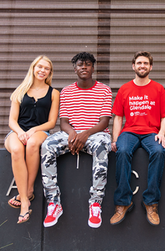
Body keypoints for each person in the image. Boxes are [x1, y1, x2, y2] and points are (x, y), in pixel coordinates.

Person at [41, 52, 112, 228]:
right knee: (47, 145)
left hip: (95, 133)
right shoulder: (66, 91)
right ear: (75, 69)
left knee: (103, 146)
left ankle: (95, 203)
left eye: (88, 64)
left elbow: (104, 121)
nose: (84, 67)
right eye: (80, 65)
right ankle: (54, 203)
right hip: (71, 134)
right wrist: (73, 134)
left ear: (93, 68)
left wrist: (84, 134)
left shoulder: (104, 89)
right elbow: (63, 122)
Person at [110, 51, 165, 226]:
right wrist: (115, 139)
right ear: (133, 66)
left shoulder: (158, 88)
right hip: (129, 131)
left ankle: (151, 202)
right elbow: (118, 118)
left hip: (151, 132)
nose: (142, 66)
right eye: (139, 63)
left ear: (150, 67)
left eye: (145, 63)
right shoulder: (124, 89)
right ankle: (123, 202)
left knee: (159, 151)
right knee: (121, 151)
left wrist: (161, 133)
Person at [5, 55, 59, 224]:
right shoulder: (20, 90)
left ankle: (27, 193)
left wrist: (33, 129)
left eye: (46, 68)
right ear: (33, 68)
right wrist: (21, 132)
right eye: (40, 67)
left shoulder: (54, 93)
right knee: (16, 149)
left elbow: (51, 122)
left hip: (41, 131)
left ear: (50, 72)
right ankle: (26, 201)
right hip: (17, 131)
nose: (42, 70)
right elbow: (12, 121)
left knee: (33, 143)